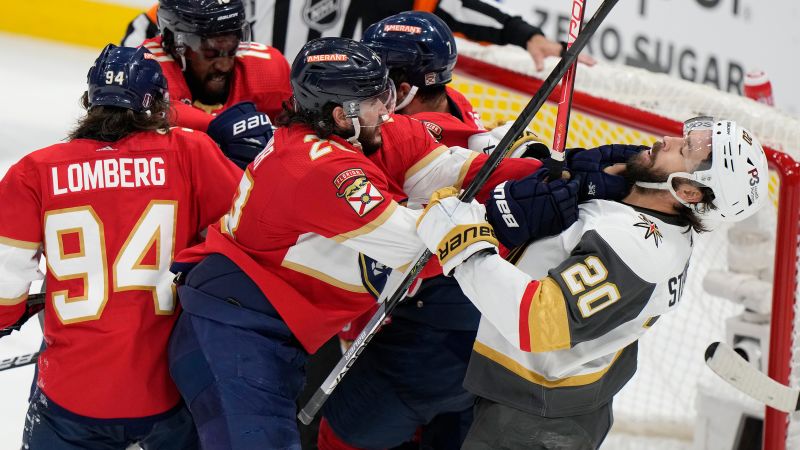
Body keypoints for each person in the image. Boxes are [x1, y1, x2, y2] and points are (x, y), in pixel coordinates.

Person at [165, 34, 583, 449]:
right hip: (233, 336)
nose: (387, 110)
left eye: (384, 93)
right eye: (372, 101)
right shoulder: (316, 170)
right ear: (340, 114)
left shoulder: (365, 136)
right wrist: (513, 215)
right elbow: (419, 250)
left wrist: (561, 172)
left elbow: (464, 170)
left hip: (270, 334)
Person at [317, 11, 640, 450]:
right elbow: (496, 147)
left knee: (339, 435)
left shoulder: (408, 130)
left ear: (403, 87)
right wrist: (554, 166)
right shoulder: (459, 106)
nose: (363, 89)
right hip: (485, 340)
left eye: (376, 80)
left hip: (427, 339)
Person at [413, 116, 770, 449]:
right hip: (549, 399)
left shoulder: (637, 250)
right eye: (686, 137)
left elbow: (537, 320)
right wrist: (553, 164)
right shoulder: (643, 204)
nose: (667, 140)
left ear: (690, 192)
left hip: (537, 424)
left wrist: (464, 245)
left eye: (685, 150)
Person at [0, 44, 243, 449]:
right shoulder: (190, 152)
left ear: (89, 103)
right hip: (169, 390)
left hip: (73, 395)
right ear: (160, 106)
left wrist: (6, 316)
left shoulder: (34, 171)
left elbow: (6, 277)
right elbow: (248, 231)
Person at [122, 0, 594, 72]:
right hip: (232, 119)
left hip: (324, 128)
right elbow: (154, 25)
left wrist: (525, 34)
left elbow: (449, 6)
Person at [141, 0, 292, 137]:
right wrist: (225, 127)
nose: (225, 66)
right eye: (210, 53)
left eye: (232, 50)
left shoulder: (268, 68)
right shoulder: (146, 65)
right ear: (176, 46)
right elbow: (154, 111)